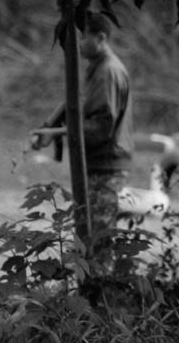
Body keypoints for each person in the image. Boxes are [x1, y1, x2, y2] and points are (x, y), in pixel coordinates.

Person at [30, 13, 132, 259]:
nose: (80, 43)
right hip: (97, 164)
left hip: (106, 167)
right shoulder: (97, 68)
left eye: (85, 37)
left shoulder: (107, 71)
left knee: (98, 242)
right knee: (88, 239)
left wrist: (55, 132)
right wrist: (50, 126)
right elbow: (76, 105)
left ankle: (102, 284)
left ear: (101, 38)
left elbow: (101, 127)